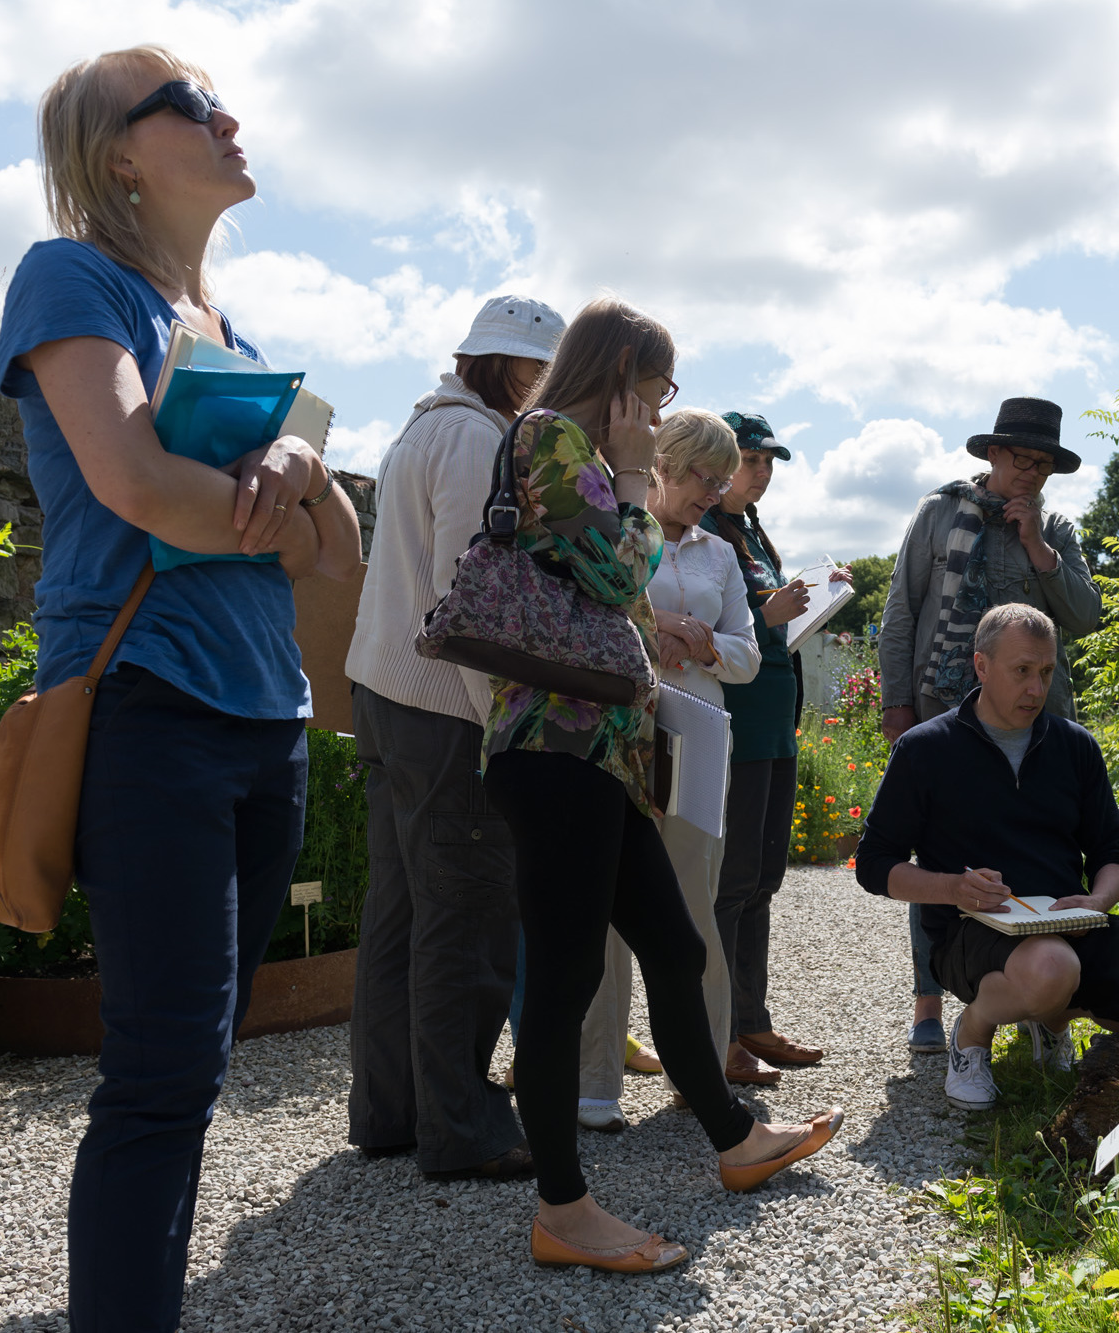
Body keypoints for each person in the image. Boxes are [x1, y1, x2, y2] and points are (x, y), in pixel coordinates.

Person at [0, 46, 362, 1331]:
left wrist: (302, 478)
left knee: (195, 1068)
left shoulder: (238, 342)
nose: (229, 118)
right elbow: (135, 486)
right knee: (156, 1077)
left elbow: (334, 562)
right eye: (193, 107)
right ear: (118, 155)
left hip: (269, 727)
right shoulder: (70, 277)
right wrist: (285, 503)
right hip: (148, 710)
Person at [481, 298, 841, 1275]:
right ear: (620, 375)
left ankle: (731, 1139)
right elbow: (617, 570)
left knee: (676, 948)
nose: (656, 406)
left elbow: (618, 587)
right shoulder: (549, 438)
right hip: (550, 743)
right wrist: (637, 478)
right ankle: (562, 1207)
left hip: (598, 753)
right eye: (656, 386)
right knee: (562, 976)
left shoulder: (582, 459)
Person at [343, 294, 565, 1179]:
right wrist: (503, 724)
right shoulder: (478, 440)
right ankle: (462, 1125)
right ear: (513, 368)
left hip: (387, 693)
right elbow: (463, 601)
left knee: (398, 912)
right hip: (443, 705)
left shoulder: (421, 429)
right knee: (466, 915)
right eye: (542, 372)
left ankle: (391, 1109)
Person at [855, 604, 1119, 1111]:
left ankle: (1052, 1019)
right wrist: (953, 889)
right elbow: (873, 864)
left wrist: (1097, 901)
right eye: (1022, 671)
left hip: (1074, 926)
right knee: (1051, 967)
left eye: (1046, 673)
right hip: (971, 933)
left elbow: (1116, 855)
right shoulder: (924, 750)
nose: (1036, 689)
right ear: (981, 666)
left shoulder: (1075, 745)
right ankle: (973, 1034)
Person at [877, 396, 1101, 1055]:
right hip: (945, 715)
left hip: (1038, 724)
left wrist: (1035, 545)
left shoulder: (1055, 530)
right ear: (992, 454)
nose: (1031, 472)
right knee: (939, 861)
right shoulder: (938, 512)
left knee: (1042, 855)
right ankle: (927, 1003)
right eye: (1020, 458)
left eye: (1043, 464)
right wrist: (898, 706)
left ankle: (1038, 1001)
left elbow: (1086, 616)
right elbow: (900, 616)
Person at [575, 408, 760, 1133]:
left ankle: (704, 1073)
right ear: (662, 464)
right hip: (623, 730)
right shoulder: (621, 532)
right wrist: (652, 629)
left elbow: (750, 654)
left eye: (720, 480)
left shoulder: (720, 555)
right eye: (701, 477)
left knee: (695, 908)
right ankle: (597, 1083)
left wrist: (709, 646)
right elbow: (587, 611)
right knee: (609, 910)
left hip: (700, 739)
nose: (712, 492)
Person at [703, 413, 843, 1084]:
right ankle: (719, 1034)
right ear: (719, 460)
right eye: (751, 459)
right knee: (730, 883)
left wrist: (813, 598)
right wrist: (770, 613)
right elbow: (705, 619)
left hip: (772, 725)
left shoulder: (752, 530)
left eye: (768, 463)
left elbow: (764, 620)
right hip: (733, 725)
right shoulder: (699, 528)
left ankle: (751, 1020)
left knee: (762, 878)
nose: (761, 472)